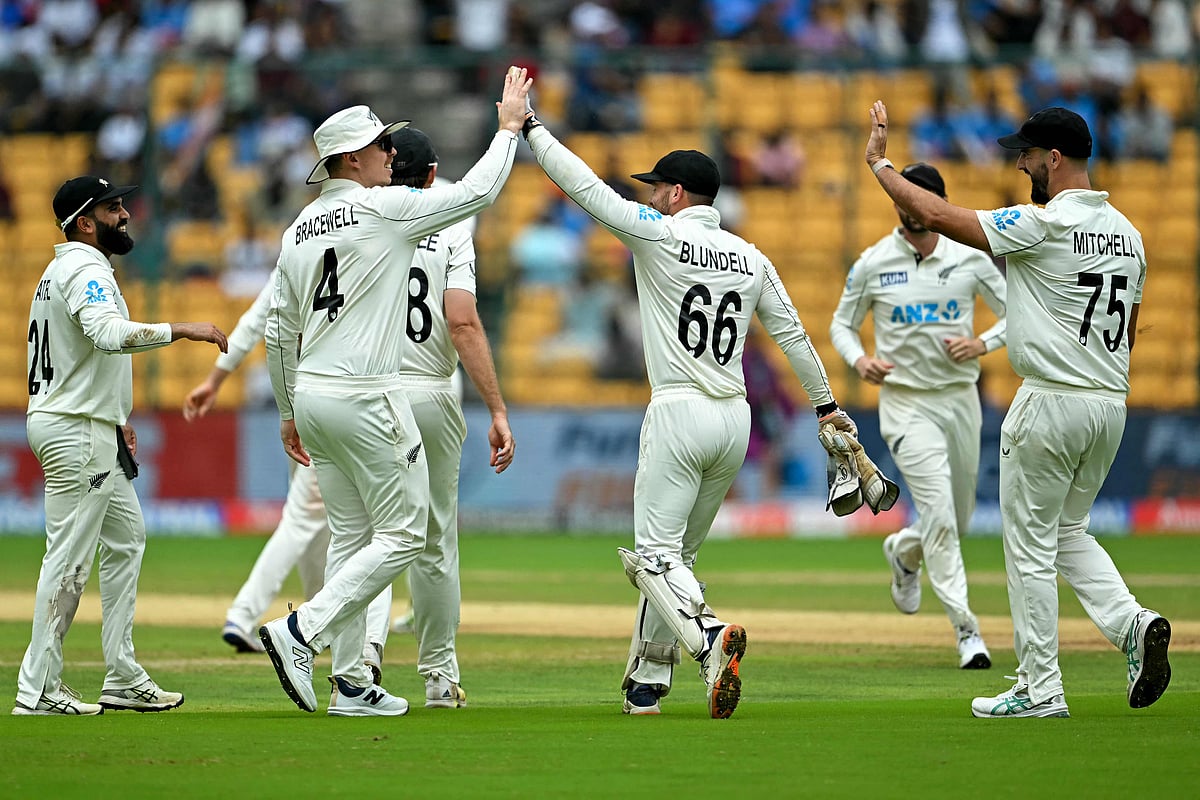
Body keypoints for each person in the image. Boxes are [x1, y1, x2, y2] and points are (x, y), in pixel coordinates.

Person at [519, 94, 859, 719]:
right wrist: (825, 406)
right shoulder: (751, 256)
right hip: (734, 417)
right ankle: (647, 684)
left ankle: (707, 638)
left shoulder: (657, 236)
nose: (649, 197)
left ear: (676, 194)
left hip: (679, 411)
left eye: (655, 188)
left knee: (653, 557)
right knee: (676, 558)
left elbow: (587, 191)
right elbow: (792, 336)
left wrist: (532, 130)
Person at [864, 102, 1172, 718]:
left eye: (1026, 154)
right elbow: (1130, 330)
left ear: (1053, 158)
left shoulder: (1044, 223)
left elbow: (932, 212)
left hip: (1050, 401)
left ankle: (1040, 686)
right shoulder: (1130, 235)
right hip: (1110, 404)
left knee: (1029, 546)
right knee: (1066, 532)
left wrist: (880, 164)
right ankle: (1132, 625)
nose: (1022, 163)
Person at [258, 69, 530, 717]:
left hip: (315, 397)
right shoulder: (383, 209)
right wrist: (509, 127)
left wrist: (287, 410)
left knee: (353, 539)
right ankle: (301, 630)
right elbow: (483, 191)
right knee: (409, 535)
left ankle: (351, 684)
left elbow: (277, 329)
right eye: (380, 146)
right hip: (367, 395)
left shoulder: (298, 229)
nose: (390, 154)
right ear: (352, 159)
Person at [14, 176, 228, 716]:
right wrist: (181, 329)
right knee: (66, 561)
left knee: (127, 540)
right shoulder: (86, 268)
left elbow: (79, 356)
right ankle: (37, 688)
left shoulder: (60, 270)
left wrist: (116, 418)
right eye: (113, 208)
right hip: (75, 431)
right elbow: (107, 335)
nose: (126, 214)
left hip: (89, 426)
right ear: (85, 223)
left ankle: (122, 675)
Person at [829, 161, 1008, 670]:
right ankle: (967, 632)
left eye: (920, 200)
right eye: (903, 199)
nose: (910, 209)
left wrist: (982, 342)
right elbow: (843, 326)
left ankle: (905, 553)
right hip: (905, 404)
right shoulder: (873, 262)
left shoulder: (968, 258)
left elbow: (1018, 311)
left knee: (957, 517)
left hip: (959, 400)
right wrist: (860, 360)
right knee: (941, 520)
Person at [182, 268, 392, 686]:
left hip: (306, 408)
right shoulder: (365, 244)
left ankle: (283, 617)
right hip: (352, 404)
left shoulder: (298, 250)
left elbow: (257, 322)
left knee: (322, 529)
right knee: (372, 534)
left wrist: (215, 379)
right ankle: (356, 643)